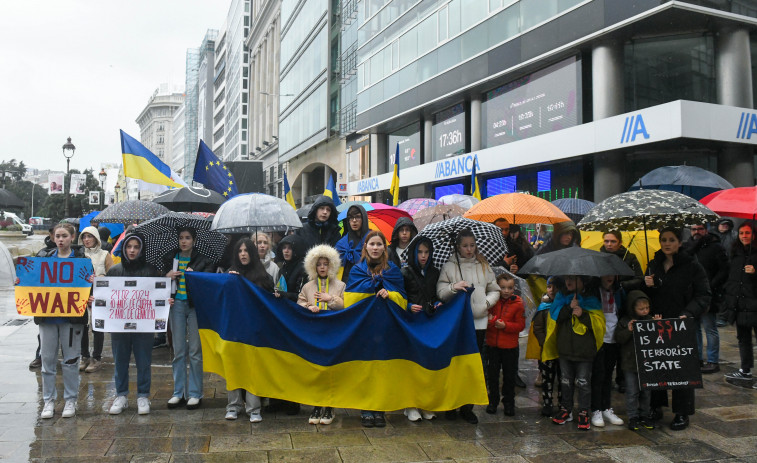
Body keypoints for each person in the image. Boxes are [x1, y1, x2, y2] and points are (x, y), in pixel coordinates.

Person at [644, 226, 710, 431]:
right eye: (663, 239)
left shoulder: (692, 265)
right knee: (658, 367)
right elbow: (647, 295)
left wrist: (688, 313)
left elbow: (704, 295)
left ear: (679, 242)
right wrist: (646, 284)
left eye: (671, 240)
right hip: (658, 322)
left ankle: (682, 412)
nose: (666, 243)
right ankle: (656, 406)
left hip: (681, 323)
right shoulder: (654, 263)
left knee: (681, 370)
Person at [21, 223, 88, 419]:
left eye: (64, 236)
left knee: (71, 360)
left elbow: (88, 286)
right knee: (48, 361)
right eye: (57, 236)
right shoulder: (43, 259)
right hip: (47, 318)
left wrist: (90, 291)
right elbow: (31, 282)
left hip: (72, 319)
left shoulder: (82, 261)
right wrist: (21, 282)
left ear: (72, 238)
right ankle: (48, 400)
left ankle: (70, 400)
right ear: (53, 238)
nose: (60, 239)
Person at [345, 230, 407, 428]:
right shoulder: (356, 271)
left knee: (381, 368)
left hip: (385, 328)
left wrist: (390, 294)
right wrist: (370, 288)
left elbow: (403, 299)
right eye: (372, 244)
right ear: (365, 247)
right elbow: (349, 300)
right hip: (364, 328)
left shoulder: (393, 271)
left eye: (379, 244)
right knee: (365, 368)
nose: (375, 248)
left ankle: (379, 409)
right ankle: (366, 409)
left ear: (384, 248)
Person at [437, 229, 500, 424]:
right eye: (465, 246)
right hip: (457, 323)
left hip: (479, 322)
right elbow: (440, 292)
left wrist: (486, 304)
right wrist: (452, 287)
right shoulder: (449, 266)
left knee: (473, 365)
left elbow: (494, 288)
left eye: (472, 245)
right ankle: (452, 404)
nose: (469, 249)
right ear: (458, 246)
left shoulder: (483, 265)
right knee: (455, 364)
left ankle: (467, 406)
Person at [108, 234, 167, 416]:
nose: (132, 250)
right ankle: (121, 395)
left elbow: (157, 293)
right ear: (124, 249)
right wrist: (96, 299)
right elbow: (106, 295)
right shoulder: (115, 271)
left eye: (135, 247)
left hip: (144, 325)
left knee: (144, 360)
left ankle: (143, 395)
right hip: (119, 324)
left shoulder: (150, 270)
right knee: (120, 360)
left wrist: (164, 301)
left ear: (141, 250)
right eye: (128, 247)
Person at [164, 227, 214, 411]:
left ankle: (194, 393)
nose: (184, 241)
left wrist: (197, 276)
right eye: (181, 238)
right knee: (178, 350)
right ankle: (178, 393)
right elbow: (158, 280)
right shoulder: (170, 258)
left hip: (194, 307)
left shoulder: (203, 259)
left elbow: (209, 280)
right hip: (175, 304)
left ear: (194, 240)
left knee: (194, 350)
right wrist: (167, 276)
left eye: (187, 238)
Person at [225, 237, 274, 422]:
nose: (243, 254)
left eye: (246, 251)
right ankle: (234, 405)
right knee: (233, 367)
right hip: (234, 329)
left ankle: (254, 408)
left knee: (253, 368)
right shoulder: (231, 273)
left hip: (254, 329)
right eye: (240, 251)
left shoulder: (262, 275)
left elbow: (268, 298)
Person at [297, 244, 346, 425]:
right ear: (314, 266)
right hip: (314, 333)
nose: (323, 267)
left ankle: (329, 407)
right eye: (319, 264)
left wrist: (330, 299)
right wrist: (309, 306)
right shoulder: (308, 286)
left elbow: (344, 305)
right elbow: (299, 302)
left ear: (332, 265)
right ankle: (317, 404)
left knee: (330, 368)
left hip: (333, 333)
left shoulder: (340, 285)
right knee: (315, 368)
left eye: (326, 263)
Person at [549, 275, 604, 431]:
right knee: (565, 381)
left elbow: (598, 324)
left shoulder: (591, 300)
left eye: (573, 279)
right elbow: (555, 318)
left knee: (583, 382)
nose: (568, 282)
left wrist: (583, 314)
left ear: (583, 281)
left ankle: (583, 411)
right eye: (567, 279)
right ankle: (566, 409)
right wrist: (568, 308)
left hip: (584, 352)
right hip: (565, 350)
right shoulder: (561, 298)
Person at [401, 236, 441, 422]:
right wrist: (408, 306)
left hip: (428, 321)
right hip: (411, 322)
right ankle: (410, 404)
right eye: (420, 252)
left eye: (426, 252)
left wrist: (438, 303)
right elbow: (400, 295)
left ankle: (425, 403)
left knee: (427, 363)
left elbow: (436, 294)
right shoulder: (406, 271)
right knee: (412, 364)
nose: (423, 256)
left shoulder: (434, 272)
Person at [684, 222, 728, 374]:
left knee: (710, 328)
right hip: (691, 296)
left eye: (700, 229)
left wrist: (710, 286)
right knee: (694, 328)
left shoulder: (716, 247)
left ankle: (712, 360)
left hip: (709, 294)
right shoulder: (687, 248)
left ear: (706, 230)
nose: (696, 232)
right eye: (693, 229)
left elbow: (723, 270)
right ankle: (696, 358)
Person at [616, 290, 658, 431]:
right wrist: (628, 330)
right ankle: (633, 416)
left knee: (646, 391)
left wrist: (659, 326)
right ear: (632, 308)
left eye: (647, 308)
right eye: (641, 309)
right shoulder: (624, 321)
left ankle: (645, 415)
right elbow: (619, 339)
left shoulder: (650, 320)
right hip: (630, 363)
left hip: (647, 363)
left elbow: (659, 340)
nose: (645, 311)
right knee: (632, 392)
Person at [485, 273, 525, 417]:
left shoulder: (518, 303)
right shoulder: (493, 301)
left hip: (510, 347)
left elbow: (520, 325)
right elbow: (487, 318)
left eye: (510, 288)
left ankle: (508, 403)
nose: (506, 291)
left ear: (514, 288)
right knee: (493, 376)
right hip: (493, 345)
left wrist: (505, 326)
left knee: (509, 377)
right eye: (503, 287)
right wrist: (493, 321)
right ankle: (493, 401)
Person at [724, 221, 757, 383]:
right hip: (739, 304)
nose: (744, 236)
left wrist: (755, 272)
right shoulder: (736, 254)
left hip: (755, 305)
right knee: (743, 339)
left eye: (748, 233)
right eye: (742, 233)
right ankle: (745, 369)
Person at [590, 275, 624, 428]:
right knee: (598, 374)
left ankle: (606, 407)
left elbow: (622, 311)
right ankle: (596, 408)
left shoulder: (618, 292)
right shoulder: (593, 291)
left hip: (613, 339)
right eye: (606, 274)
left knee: (609, 374)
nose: (609, 277)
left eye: (612, 274)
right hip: (598, 339)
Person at [78, 225, 113, 373]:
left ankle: (96, 358)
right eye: (84, 237)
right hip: (81, 295)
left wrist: (100, 278)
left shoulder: (105, 254)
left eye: (89, 236)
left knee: (97, 326)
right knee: (83, 326)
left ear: (96, 238)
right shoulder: (78, 254)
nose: (87, 240)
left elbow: (112, 275)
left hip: (99, 294)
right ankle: (84, 356)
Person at [530, 276, 562, 417]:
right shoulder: (544, 307)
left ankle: (562, 403)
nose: (552, 290)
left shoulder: (564, 305)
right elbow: (538, 327)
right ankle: (547, 403)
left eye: (556, 287)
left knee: (563, 379)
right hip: (547, 350)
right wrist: (544, 342)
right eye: (549, 287)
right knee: (547, 378)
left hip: (562, 349)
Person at [335, 204, 369, 283]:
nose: (354, 220)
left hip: (366, 283)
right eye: (350, 218)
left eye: (357, 217)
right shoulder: (341, 243)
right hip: (345, 285)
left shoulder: (372, 240)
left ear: (363, 218)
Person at [274, 234, 308, 302]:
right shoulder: (282, 268)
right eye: (284, 248)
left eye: (289, 248)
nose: (286, 251)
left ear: (296, 249)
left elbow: (301, 295)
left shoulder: (303, 268)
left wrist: (283, 294)